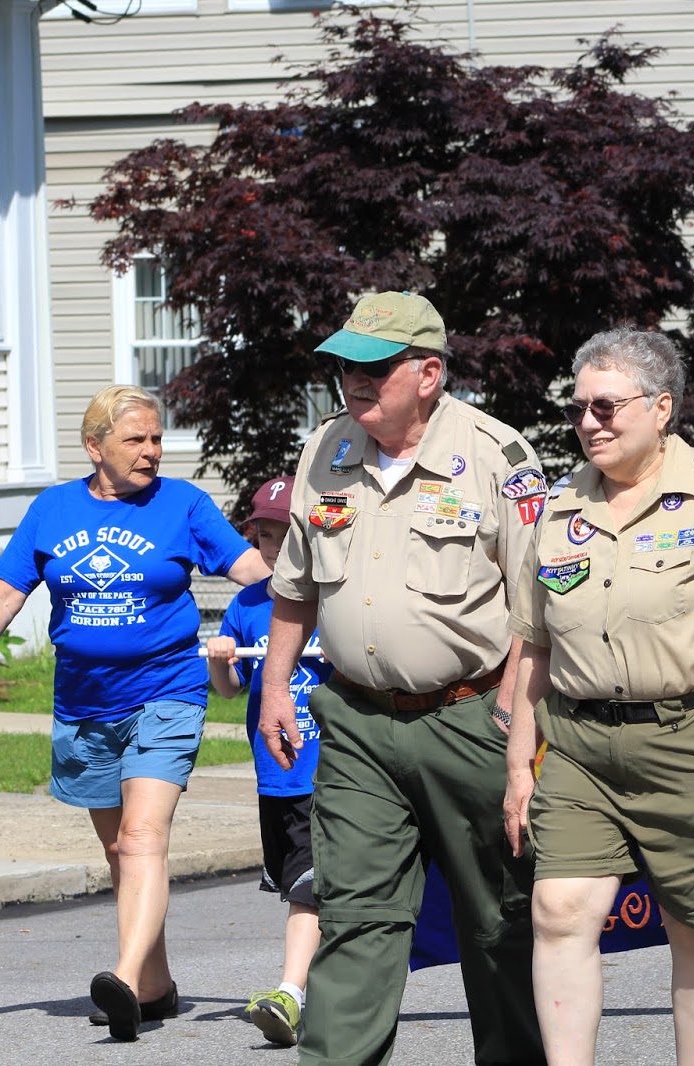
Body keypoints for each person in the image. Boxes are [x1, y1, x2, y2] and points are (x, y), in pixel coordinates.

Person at [255, 291, 546, 1066]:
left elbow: (537, 607)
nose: (354, 380)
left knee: (500, 920)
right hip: (356, 722)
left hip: (472, 717)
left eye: (374, 366)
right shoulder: (326, 448)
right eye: (345, 365)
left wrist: (512, 717)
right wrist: (276, 688)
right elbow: (295, 586)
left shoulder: (498, 456)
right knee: (354, 916)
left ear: (428, 373)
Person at [503, 328, 694, 1065]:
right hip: (580, 744)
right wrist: (518, 765)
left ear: (661, 408)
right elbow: (534, 647)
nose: (589, 422)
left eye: (606, 406)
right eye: (578, 408)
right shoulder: (557, 506)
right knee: (559, 909)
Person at [0, 385, 269, 1042]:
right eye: (135, 440)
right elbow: (6, 591)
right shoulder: (53, 508)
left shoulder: (183, 504)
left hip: (167, 692)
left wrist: (311, 592)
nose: (151, 451)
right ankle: (155, 985)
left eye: (156, 439)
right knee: (121, 851)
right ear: (95, 447)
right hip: (85, 703)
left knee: (143, 838)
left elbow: (253, 570)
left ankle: (122, 977)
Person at [203, 476, 330, 1048]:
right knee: (301, 886)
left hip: (329, 772)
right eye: (267, 533)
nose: (276, 544)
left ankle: (291, 993)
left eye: (287, 532)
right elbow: (230, 688)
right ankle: (323, 986)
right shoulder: (247, 604)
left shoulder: (333, 598)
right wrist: (220, 658)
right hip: (276, 775)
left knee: (310, 885)